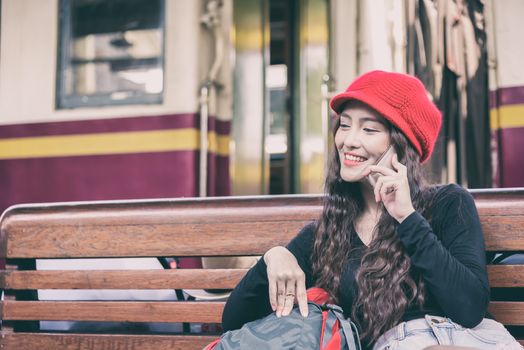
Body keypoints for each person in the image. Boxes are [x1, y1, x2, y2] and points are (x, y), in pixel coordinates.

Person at [221, 70, 522, 349]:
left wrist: (407, 218)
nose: (349, 141)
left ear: (402, 145)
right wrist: (273, 257)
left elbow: (469, 308)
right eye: (344, 125)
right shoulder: (325, 235)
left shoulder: (448, 203)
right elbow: (233, 322)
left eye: (369, 129)